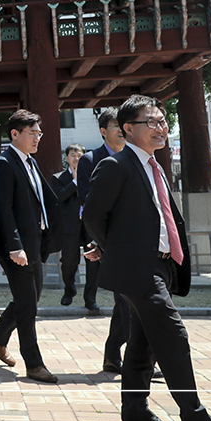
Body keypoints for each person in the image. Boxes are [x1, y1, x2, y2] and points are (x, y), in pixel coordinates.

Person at [82, 95, 211, 421]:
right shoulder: (117, 165)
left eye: (163, 122)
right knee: (173, 334)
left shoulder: (154, 165)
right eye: (151, 122)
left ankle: (135, 411)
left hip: (161, 265)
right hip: (136, 268)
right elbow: (93, 215)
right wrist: (113, 249)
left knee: (143, 342)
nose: (161, 128)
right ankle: (196, 418)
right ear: (128, 128)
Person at [0, 109, 61, 384]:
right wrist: (15, 247)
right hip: (15, 247)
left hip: (34, 243)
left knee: (32, 297)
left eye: (39, 133)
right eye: (32, 133)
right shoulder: (5, 163)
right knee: (28, 304)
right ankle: (34, 364)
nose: (38, 138)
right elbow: (3, 209)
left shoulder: (29, 161)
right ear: (15, 134)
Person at [78, 109, 130, 365]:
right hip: (109, 239)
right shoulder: (90, 160)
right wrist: (98, 241)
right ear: (102, 131)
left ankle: (114, 355)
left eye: (123, 124)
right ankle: (135, 359)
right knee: (128, 298)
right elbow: (89, 204)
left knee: (127, 300)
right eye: (114, 125)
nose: (120, 129)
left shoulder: (133, 156)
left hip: (134, 237)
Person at [53, 143, 88, 309]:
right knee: (68, 261)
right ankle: (69, 290)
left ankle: (90, 297)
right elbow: (60, 196)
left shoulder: (90, 175)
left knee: (93, 262)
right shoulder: (59, 177)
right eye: (73, 155)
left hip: (89, 225)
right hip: (69, 226)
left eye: (79, 155)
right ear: (66, 158)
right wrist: (74, 181)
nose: (76, 158)